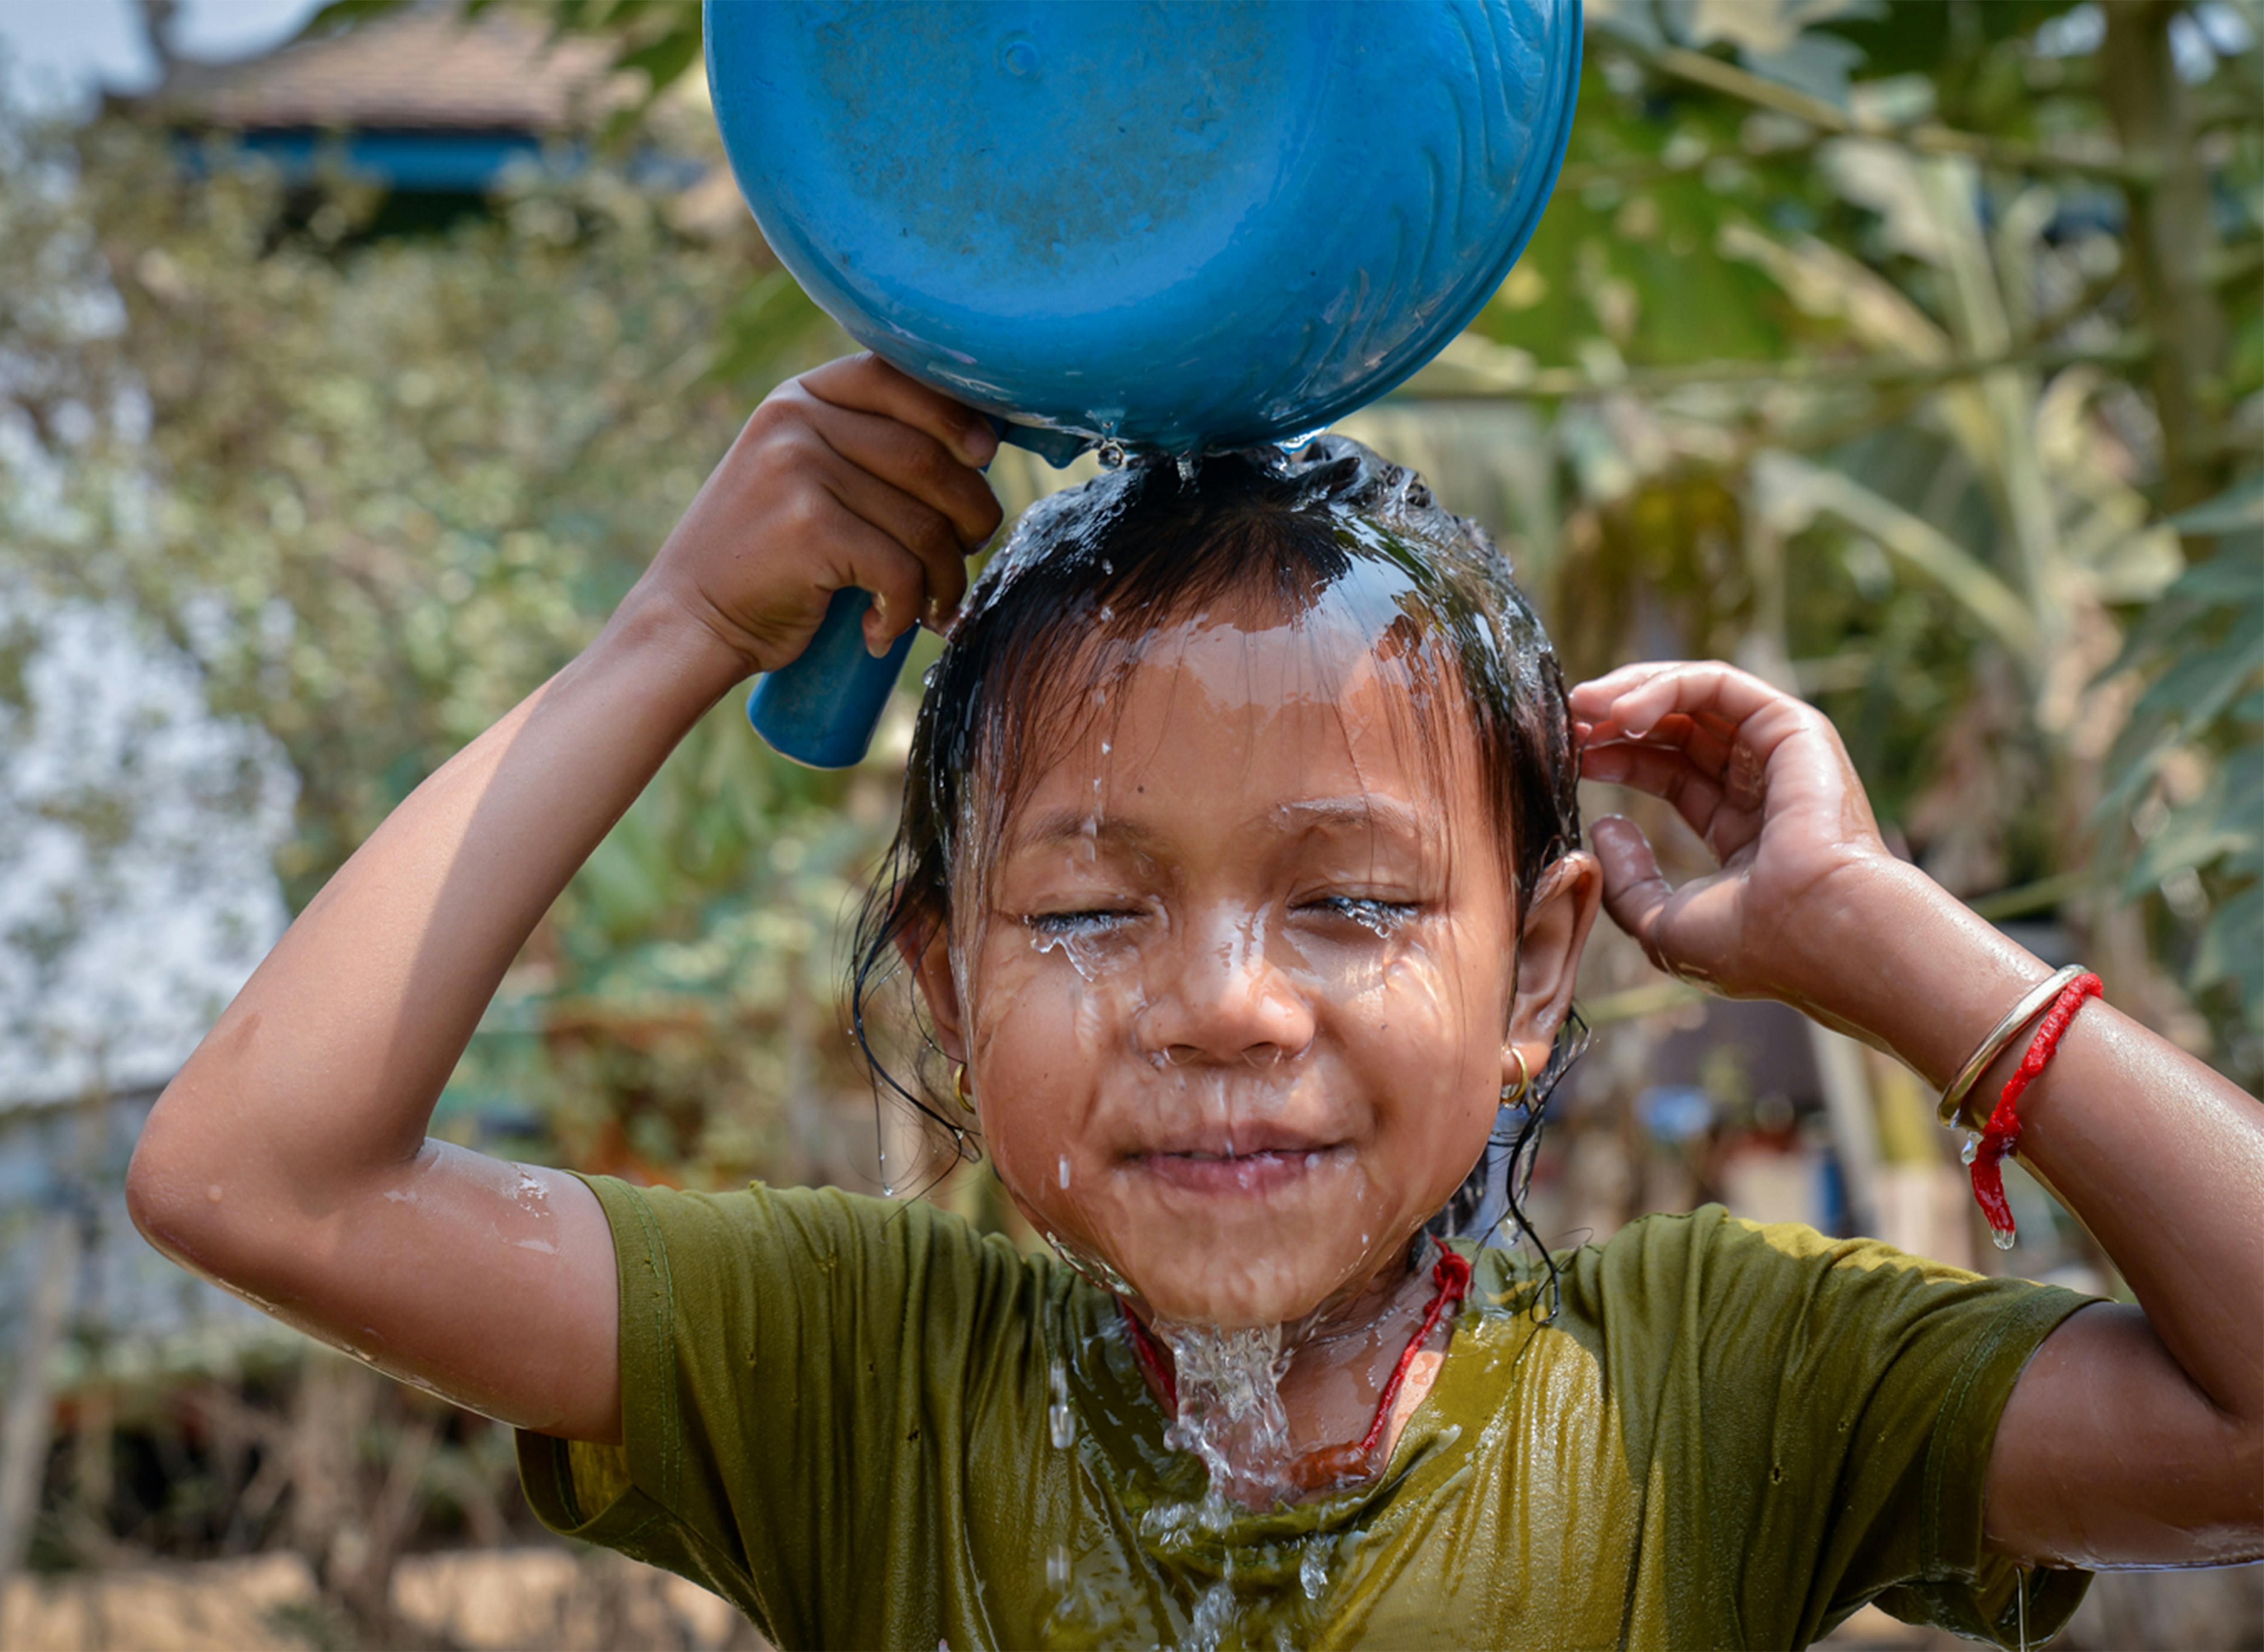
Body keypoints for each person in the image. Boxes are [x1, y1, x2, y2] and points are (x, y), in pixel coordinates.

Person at [123, 356, 2264, 1649]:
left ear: (1532, 971)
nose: (1223, 1006)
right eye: (1084, 918)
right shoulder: (859, 1381)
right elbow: (257, 1178)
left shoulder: (1724, 1390)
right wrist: (675, 627)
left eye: (1347, 903)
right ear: (949, 995)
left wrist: (1898, 943)